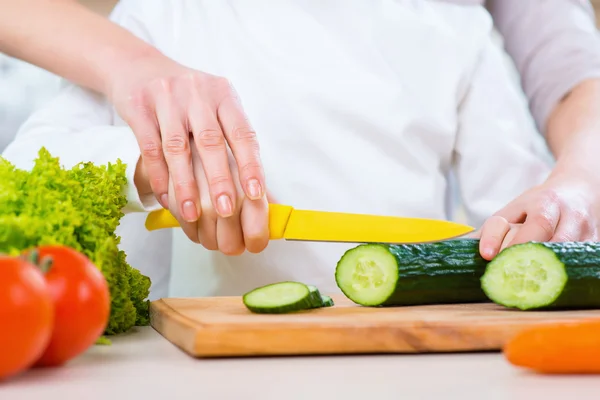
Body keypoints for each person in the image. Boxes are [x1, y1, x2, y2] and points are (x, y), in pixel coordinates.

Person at [2, 0, 555, 297]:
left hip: (404, 348)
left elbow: (520, 211)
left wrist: (532, 227)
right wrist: (157, 169)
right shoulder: (165, 13)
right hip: (206, 363)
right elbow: (26, 170)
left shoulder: (455, 24)